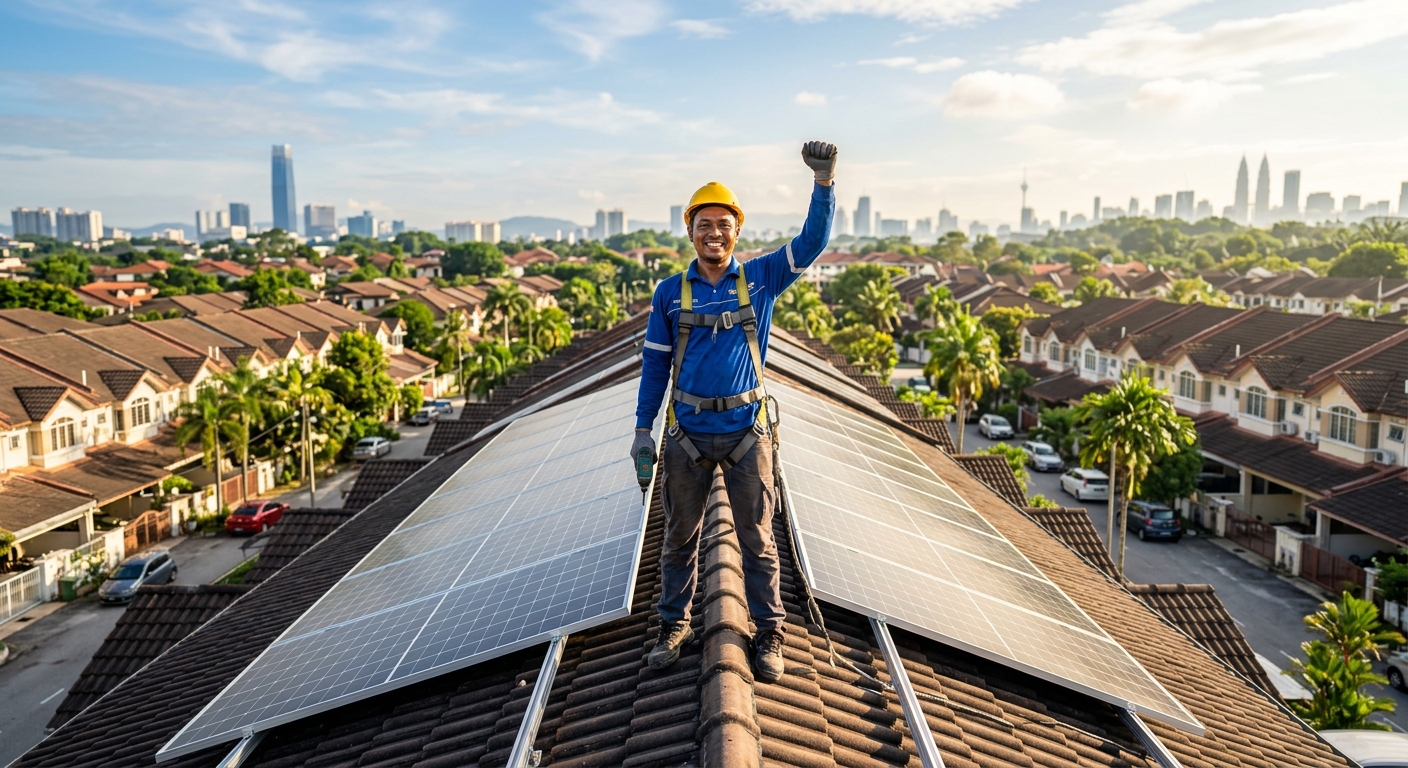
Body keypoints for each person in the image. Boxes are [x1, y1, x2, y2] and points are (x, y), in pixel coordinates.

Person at [631, 141, 837, 683]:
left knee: (758, 540)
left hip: (748, 432)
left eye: (723, 224)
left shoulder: (763, 279)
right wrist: (641, 431)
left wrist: (823, 184)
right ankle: (674, 624)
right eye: (704, 224)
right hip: (687, 437)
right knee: (679, 537)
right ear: (690, 231)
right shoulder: (669, 294)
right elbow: (654, 367)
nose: (714, 233)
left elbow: (812, 242)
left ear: (736, 231)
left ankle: (769, 632)